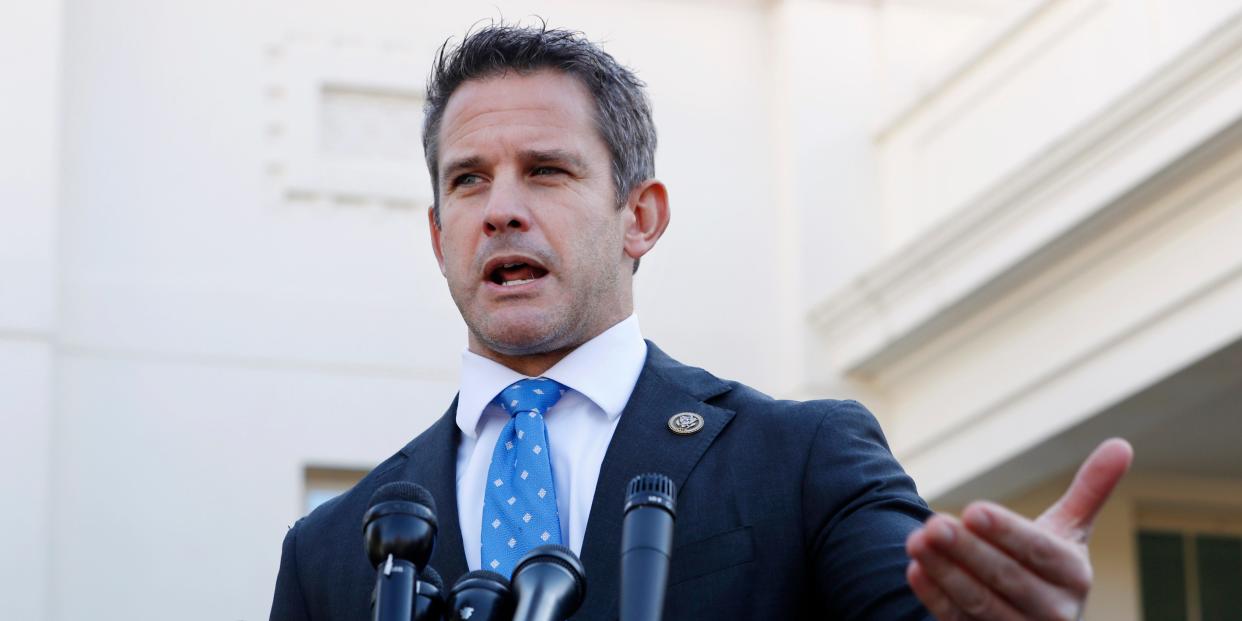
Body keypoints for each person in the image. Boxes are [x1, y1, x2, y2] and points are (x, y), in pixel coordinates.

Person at [269, 24, 1133, 620]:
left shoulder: (802, 461)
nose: (500, 209)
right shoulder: (330, 547)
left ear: (640, 216)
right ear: (437, 234)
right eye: (466, 180)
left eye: (545, 170)